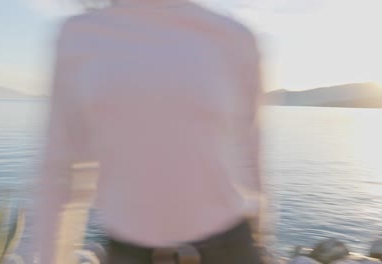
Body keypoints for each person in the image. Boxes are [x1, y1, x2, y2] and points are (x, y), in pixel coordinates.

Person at [35, 0, 265, 263]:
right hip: (127, 254)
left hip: (230, 251)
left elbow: (250, 157)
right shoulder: (79, 36)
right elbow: (60, 171)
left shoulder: (233, 36)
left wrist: (261, 241)